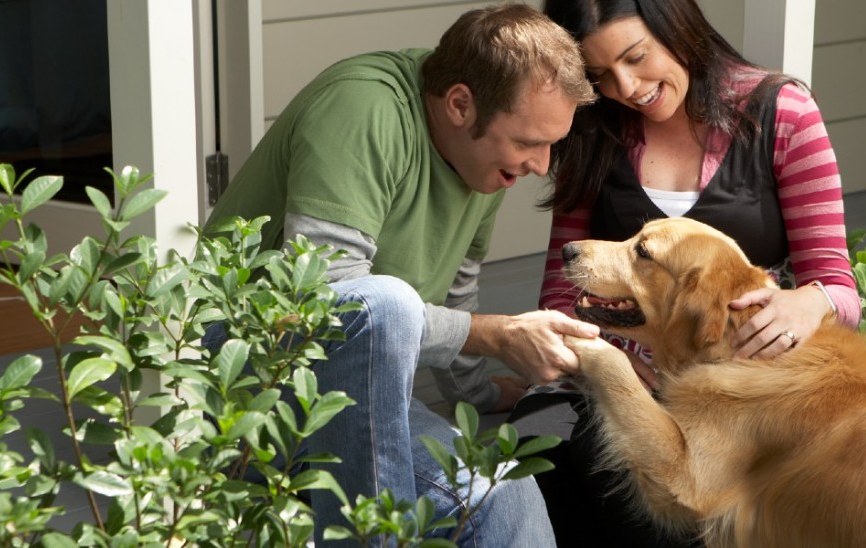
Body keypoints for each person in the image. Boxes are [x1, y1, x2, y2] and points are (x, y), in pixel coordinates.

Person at [202, 4, 598, 547]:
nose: (541, 165)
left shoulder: (482, 163)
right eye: (529, 143)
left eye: (551, 143)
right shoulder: (363, 108)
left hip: (362, 392)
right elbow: (327, 306)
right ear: (461, 104)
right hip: (253, 374)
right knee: (383, 302)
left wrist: (481, 391)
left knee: (505, 493)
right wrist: (498, 335)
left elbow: (458, 295)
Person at [506, 0, 862, 545]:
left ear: (678, 25)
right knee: (537, 448)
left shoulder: (781, 113)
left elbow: (837, 286)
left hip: (734, 393)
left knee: (670, 503)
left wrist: (812, 301)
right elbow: (562, 289)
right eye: (601, 75)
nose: (626, 87)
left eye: (636, 57)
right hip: (609, 367)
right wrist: (625, 368)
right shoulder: (592, 129)